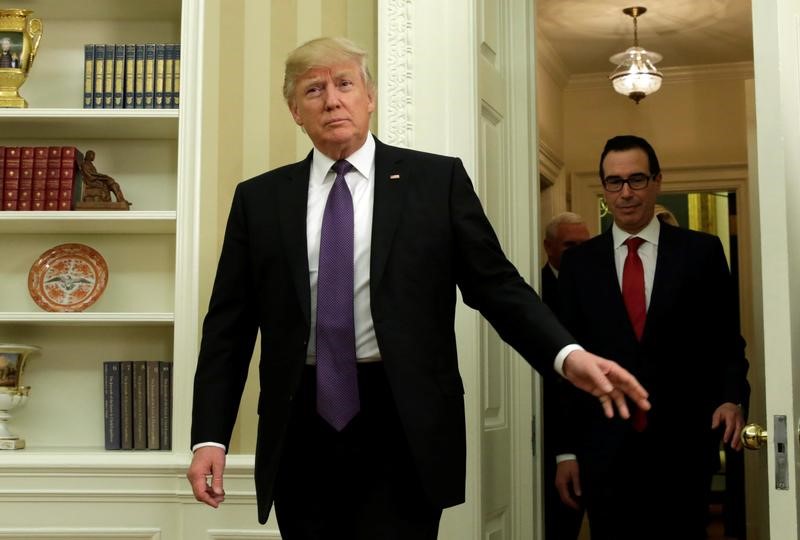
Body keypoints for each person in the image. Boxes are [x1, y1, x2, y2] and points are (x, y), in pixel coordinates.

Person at [186, 37, 650, 540]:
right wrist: (209, 436)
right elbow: (228, 328)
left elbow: (496, 286)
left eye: (345, 83)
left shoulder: (435, 181)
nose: (332, 99)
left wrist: (565, 354)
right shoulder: (259, 200)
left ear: (370, 97)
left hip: (403, 422)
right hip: (301, 425)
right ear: (296, 111)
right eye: (313, 89)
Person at [554, 135, 749, 540]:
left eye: (637, 179)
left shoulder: (702, 253)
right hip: (604, 449)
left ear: (657, 181)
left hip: (684, 448)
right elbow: (565, 363)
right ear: (605, 188)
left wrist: (732, 398)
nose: (625, 193)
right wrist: (566, 451)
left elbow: (727, 341)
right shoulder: (578, 264)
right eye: (614, 182)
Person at [539, 211, 590, 540]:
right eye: (570, 245)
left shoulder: (595, 285)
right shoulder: (537, 291)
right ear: (549, 247)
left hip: (595, 428)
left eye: (584, 245)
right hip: (549, 433)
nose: (579, 253)